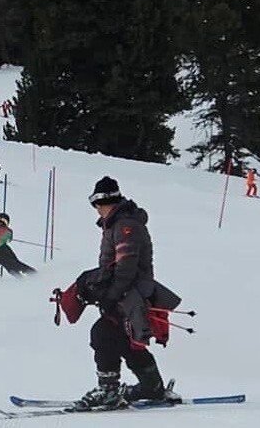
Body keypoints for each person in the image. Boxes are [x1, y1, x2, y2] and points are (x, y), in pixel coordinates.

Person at [73, 176, 178, 410]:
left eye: (97, 205)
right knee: (124, 340)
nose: (96, 210)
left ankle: (108, 391)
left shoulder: (125, 226)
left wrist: (111, 296)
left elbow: (126, 267)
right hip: (128, 293)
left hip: (130, 294)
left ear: (105, 202)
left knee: (103, 333)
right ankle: (152, 387)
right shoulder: (118, 224)